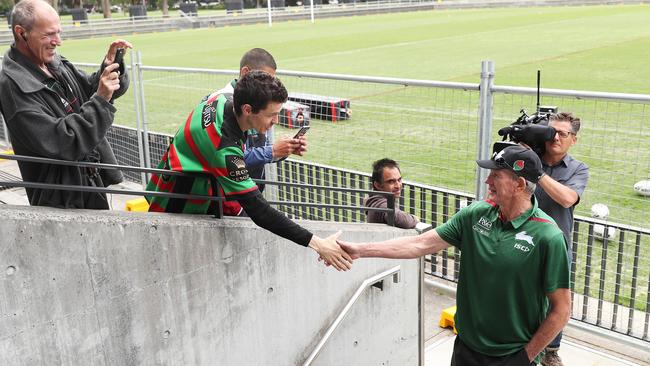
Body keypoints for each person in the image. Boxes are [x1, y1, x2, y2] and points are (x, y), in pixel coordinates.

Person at [339, 145, 571, 365]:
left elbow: (561, 310)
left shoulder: (548, 237)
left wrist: (525, 358)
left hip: (511, 356)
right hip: (466, 350)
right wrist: (360, 250)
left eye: (496, 176)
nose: (487, 181)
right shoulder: (474, 215)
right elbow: (419, 244)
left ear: (519, 185)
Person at [145, 71, 352, 271]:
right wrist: (317, 244)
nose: (275, 122)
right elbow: (259, 210)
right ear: (247, 109)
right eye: (271, 115)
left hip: (170, 180)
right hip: (177, 206)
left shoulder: (223, 99)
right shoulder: (224, 148)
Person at [0, 0, 131, 209]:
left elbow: (88, 90)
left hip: (89, 185)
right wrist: (101, 98)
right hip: (63, 201)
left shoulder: (52, 61)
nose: (57, 41)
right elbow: (64, 142)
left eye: (58, 32)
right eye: (48, 35)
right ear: (21, 33)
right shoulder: (13, 87)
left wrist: (110, 69)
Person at [535, 112, 589, 366]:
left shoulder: (578, 169)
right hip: (521, 240)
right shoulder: (529, 157)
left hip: (557, 246)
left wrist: (535, 173)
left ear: (573, 140)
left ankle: (551, 351)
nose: (555, 137)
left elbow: (567, 198)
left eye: (563, 134)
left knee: (557, 301)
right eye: (551, 132)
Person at [214, 48, 307, 193]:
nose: (269, 85)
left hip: (250, 194)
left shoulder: (263, 102)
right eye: (264, 78)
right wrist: (272, 151)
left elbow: (265, 149)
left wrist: (284, 149)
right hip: (231, 197)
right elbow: (227, 158)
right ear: (246, 72)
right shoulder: (221, 105)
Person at [365, 158, 419, 229]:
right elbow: (402, 220)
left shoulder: (374, 199)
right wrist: (414, 219)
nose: (398, 185)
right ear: (378, 185)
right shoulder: (381, 205)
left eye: (399, 180)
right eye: (391, 181)